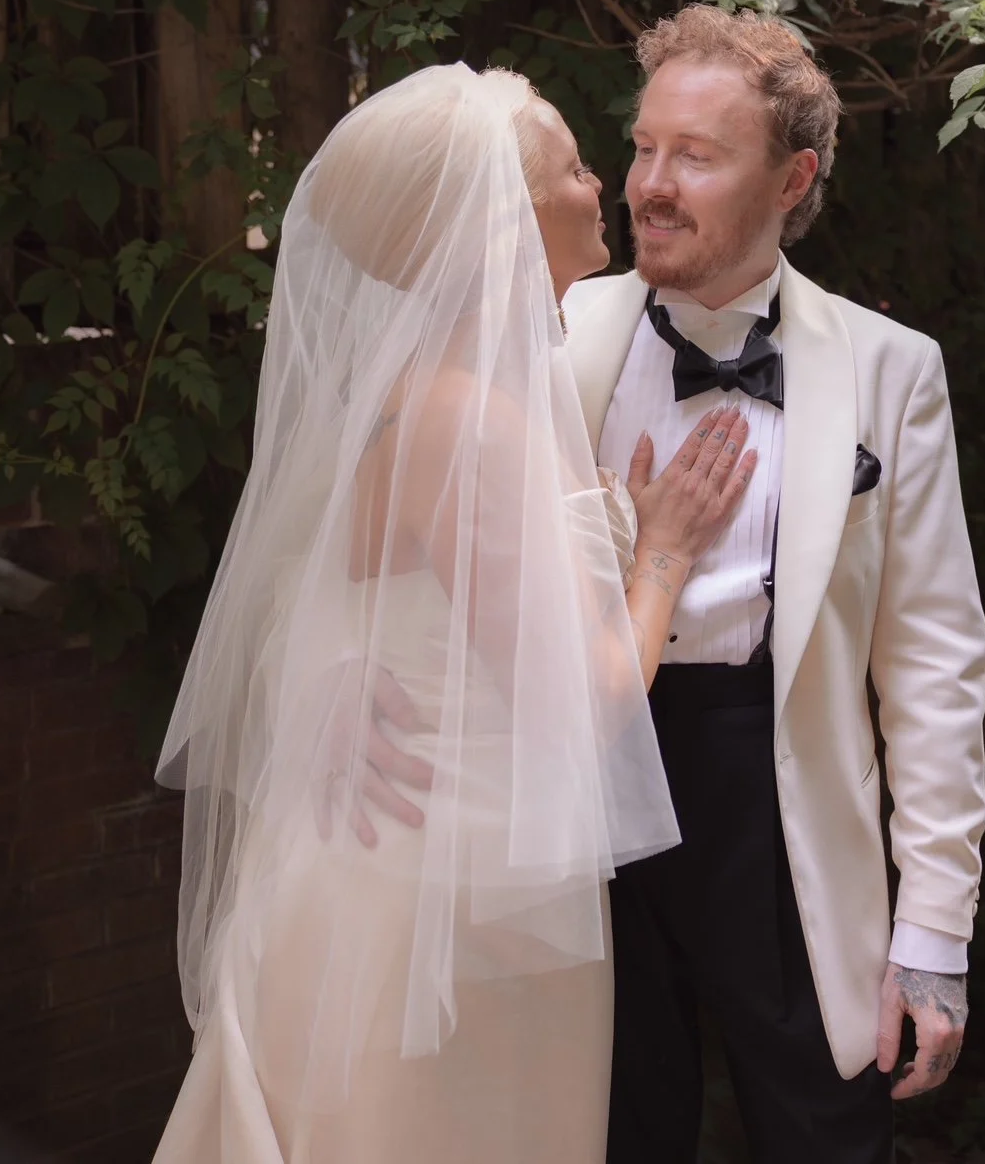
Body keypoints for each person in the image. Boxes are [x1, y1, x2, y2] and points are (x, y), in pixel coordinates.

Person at [150, 62, 757, 1164]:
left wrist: (326, 681)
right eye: (575, 165)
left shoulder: (422, 393)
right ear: (508, 221)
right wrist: (661, 551)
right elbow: (589, 703)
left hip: (444, 878)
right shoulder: (466, 419)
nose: (602, 186)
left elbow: (317, 592)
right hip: (448, 918)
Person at [563, 5, 985, 1164]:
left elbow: (935, 663)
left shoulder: (892, 371)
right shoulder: (558, 331)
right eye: (645, 146)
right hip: (583, 789)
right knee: (605, 1134)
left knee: (822, 1135)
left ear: (792, 177)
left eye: (696, 156)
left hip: (785, 804)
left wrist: (935, 930)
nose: (651, 182)